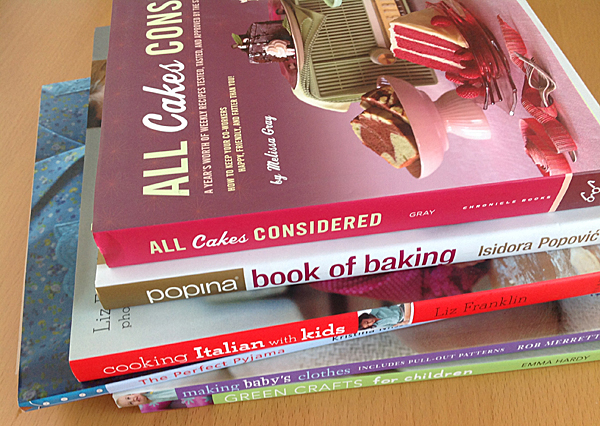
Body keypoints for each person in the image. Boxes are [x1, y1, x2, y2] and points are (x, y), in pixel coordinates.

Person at [114, 389, 178, 408]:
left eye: (128, 398)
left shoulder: (148, 391)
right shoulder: (151, 405)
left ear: (132, 394)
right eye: (131, 403)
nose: (133, 399)